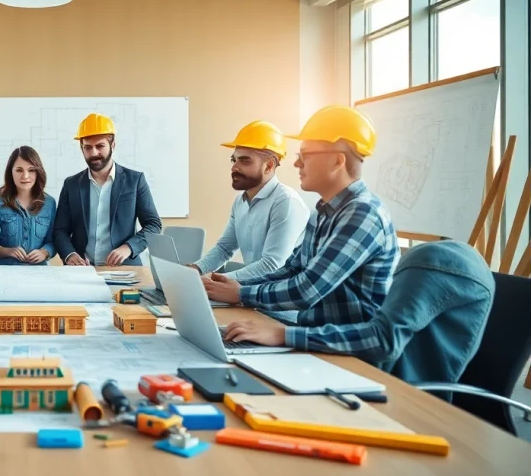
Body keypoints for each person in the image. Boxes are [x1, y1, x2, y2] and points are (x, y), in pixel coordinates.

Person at [205, 105, 400, 353]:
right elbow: (292, 269)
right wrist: (235, 289)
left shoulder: (362, 214)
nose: (296, 163)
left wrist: (242, 294)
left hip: (346, 353)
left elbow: (307, 289)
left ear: (337, 161)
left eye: (305, 155)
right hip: (313, 340)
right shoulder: (322, 211)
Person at [223, 241, 494, 385]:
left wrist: (285, 335)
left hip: (392, 388)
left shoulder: (433, 264)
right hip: (358, 363)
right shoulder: (324, 221)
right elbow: (296, 271)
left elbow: (383, 340)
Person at [192, 121, 309, 324]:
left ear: (269, 165)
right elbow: (224, 248)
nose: (234, 167)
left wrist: (216, 282)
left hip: (281, 314)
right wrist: (196, 270)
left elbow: (273, 264)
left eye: (244, 161)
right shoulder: (240, 201)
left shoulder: (286, 202)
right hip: (249, 302)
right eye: (234, 160)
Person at [54, 113, 162, 267]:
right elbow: (60, 230)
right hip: (82, 270)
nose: (94, 153)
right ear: (82, 148)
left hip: (125, 270)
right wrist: (69, 255)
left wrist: (129, 248)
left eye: (100, 146)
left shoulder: (135, 180)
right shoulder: (71, 184)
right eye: (88, 147)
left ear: (113, 145)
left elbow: (153, 225)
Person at [0, 146, 57, 265]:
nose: (25, 176)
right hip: (3, 272)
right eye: (19, 170)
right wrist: (6, 251)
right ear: (11, 172)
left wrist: (44, 252)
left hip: (38, 274)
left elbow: (54, 241)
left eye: (31, 170)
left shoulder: (49, 203)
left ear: (38, 171)